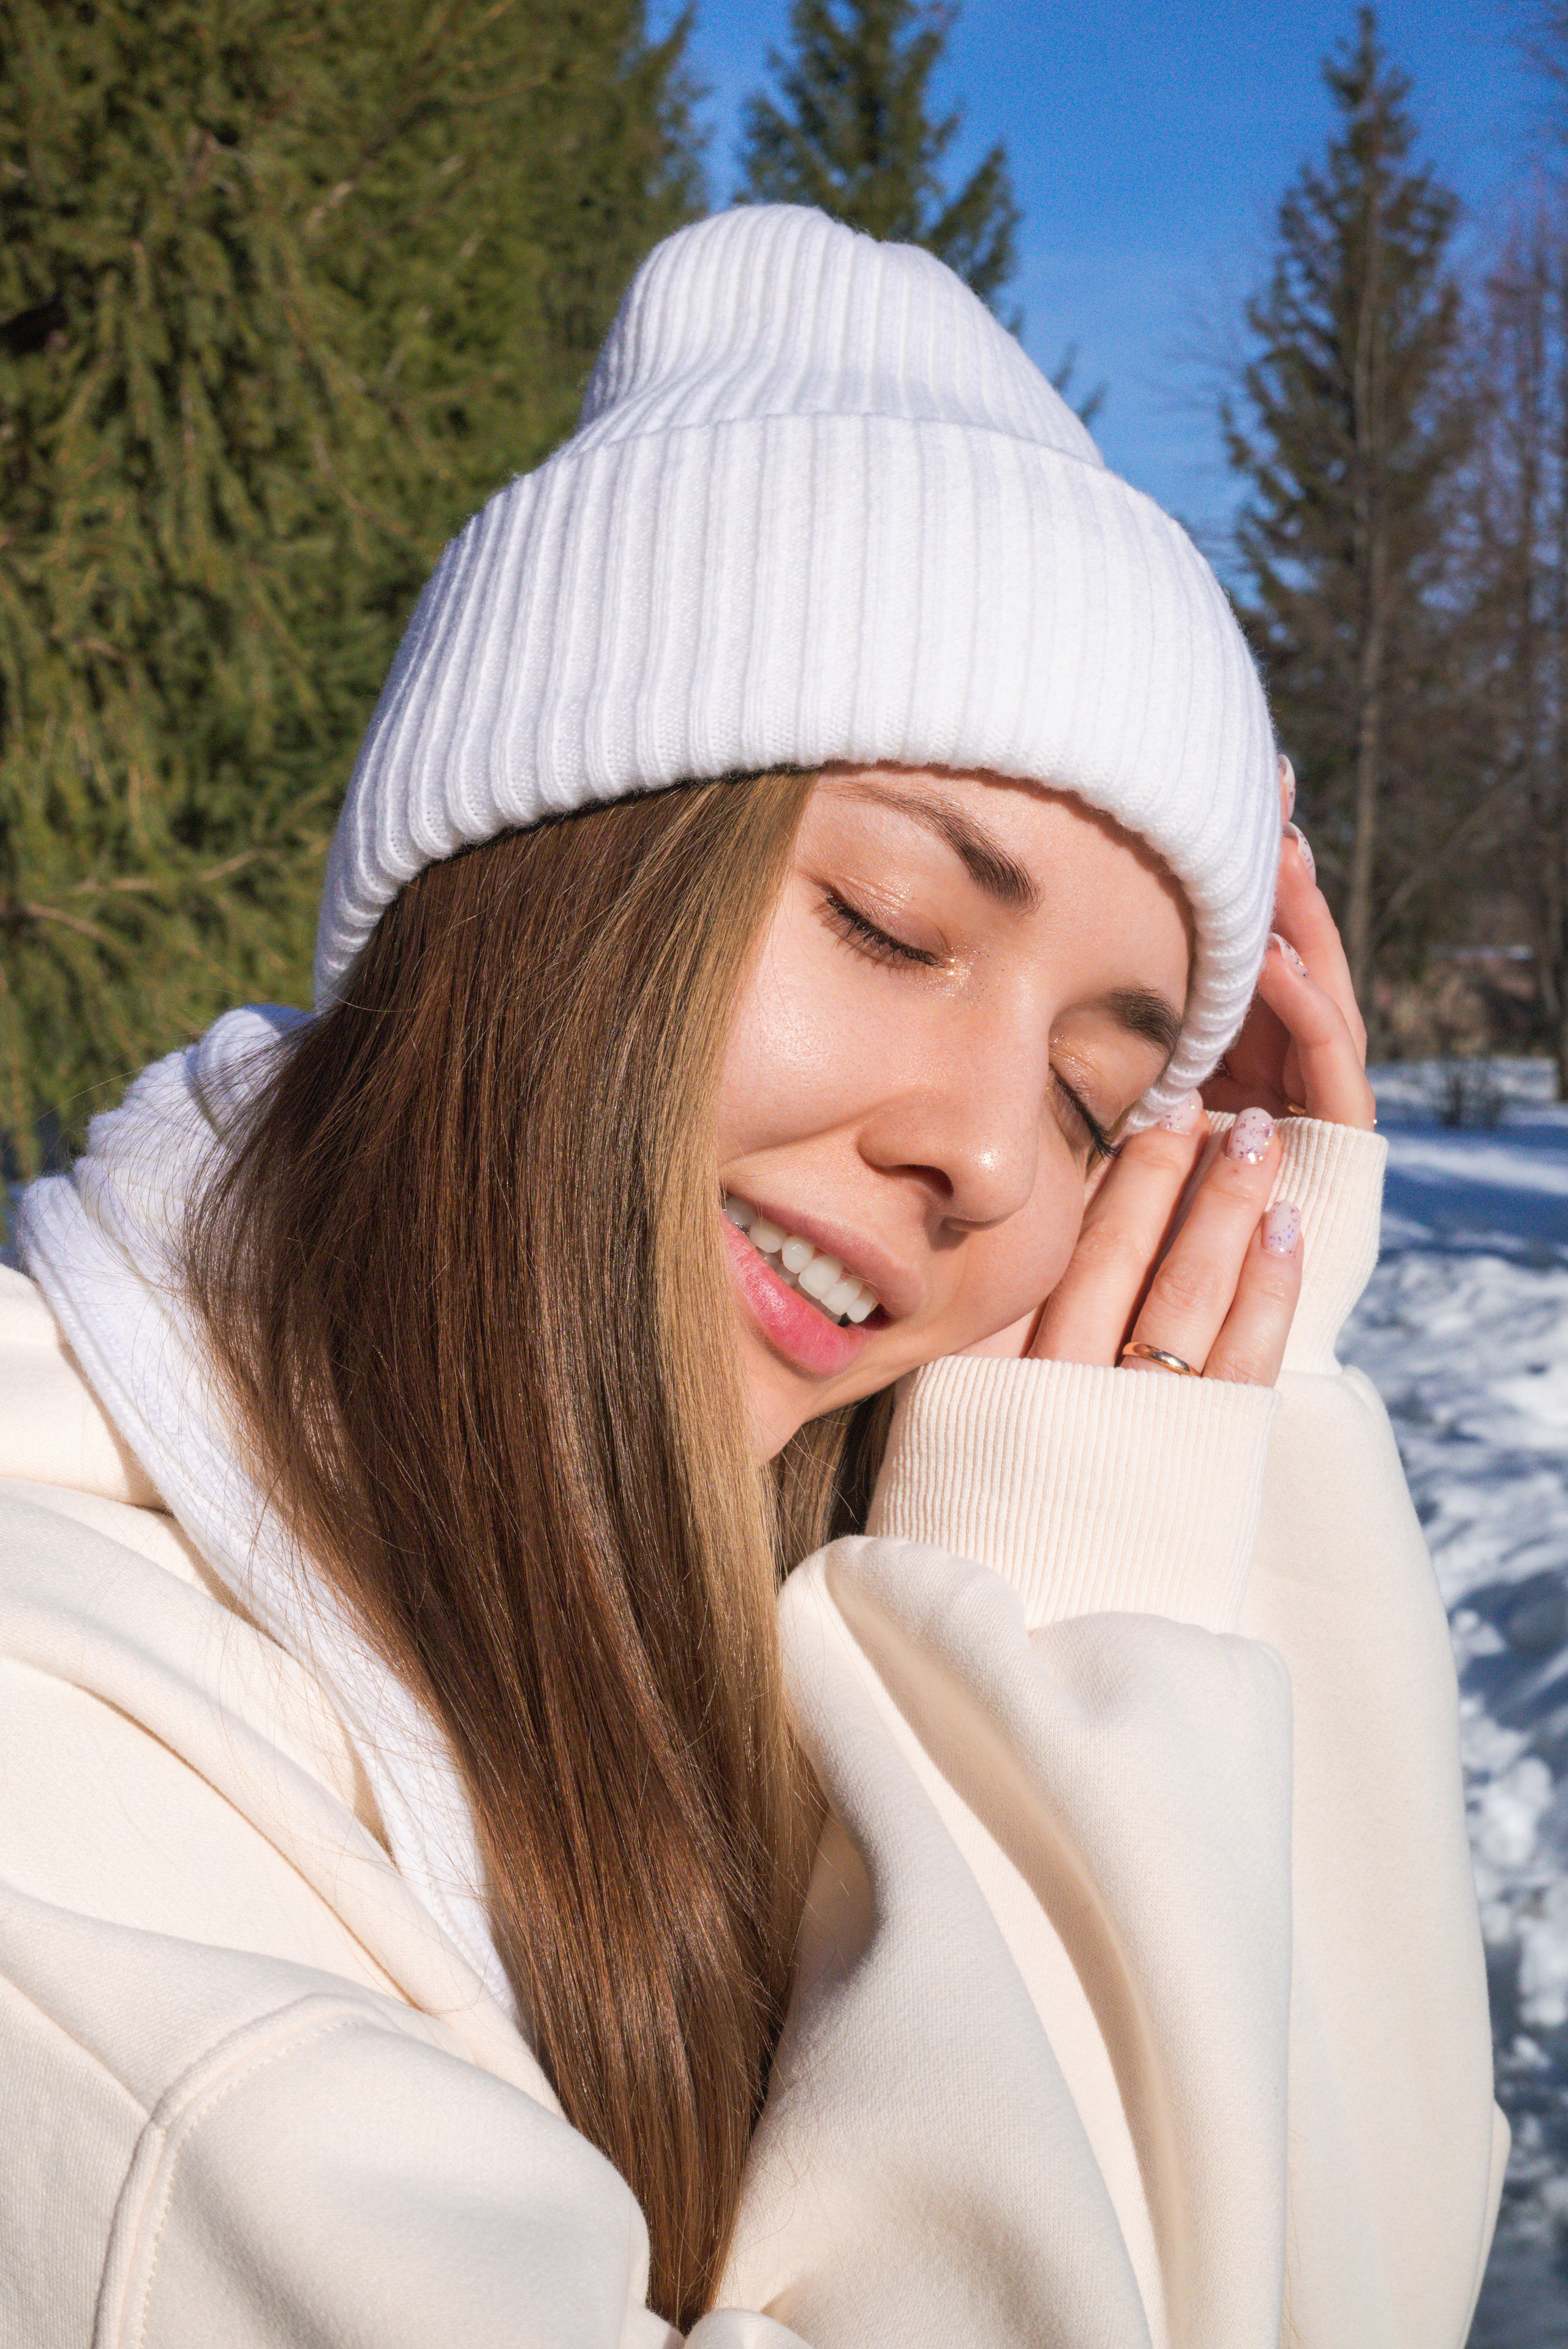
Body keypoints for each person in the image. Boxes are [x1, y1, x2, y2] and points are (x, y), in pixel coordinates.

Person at [0, 205, 1501, 2348]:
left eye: (1096, 1105)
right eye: (891, 923)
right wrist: (1057, 1646)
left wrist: (1228, 1415)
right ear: (552, 883)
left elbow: (1334, 2280)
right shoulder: (56, 1758)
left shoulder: (746, 1653)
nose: (991, 1155)